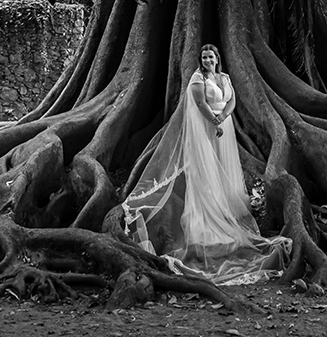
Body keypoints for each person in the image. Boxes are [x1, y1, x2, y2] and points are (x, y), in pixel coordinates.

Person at [122, 44, 290, 285]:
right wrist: (214, 120)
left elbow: (231, 101)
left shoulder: (224, 77)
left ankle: (226, 208)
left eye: (211, 56)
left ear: (217, 58)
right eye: (204, 57)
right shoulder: (198, 78)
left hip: (225, 125)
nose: (208, 59)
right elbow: (200, 103)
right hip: (207, 127)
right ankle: (206, 218)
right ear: (201, 60)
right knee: (206, 167)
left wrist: (223, 118)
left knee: (223, 167)